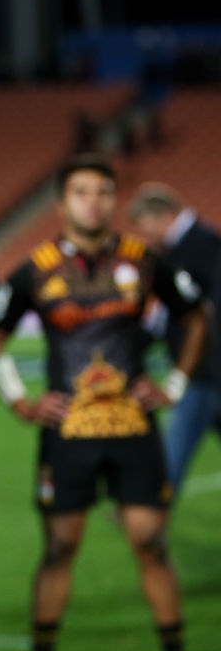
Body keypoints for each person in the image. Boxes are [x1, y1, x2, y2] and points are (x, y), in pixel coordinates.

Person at [0, 154, 206, 651]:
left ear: (114, 201)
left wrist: (173, 382)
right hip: (68, 434)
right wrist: (20, 400)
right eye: (82, 192)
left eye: (104, 192)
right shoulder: (35, 269)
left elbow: (196, 318)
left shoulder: (142, 260)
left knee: (152, 543)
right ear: (62, 204)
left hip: (133, 428)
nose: (94, 202)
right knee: (60, 548)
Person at [129, 181, 221, 491]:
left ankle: (151, 510)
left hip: (203, 370)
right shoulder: (190, 246)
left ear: (162, 217)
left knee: (174, 448)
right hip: (205, 368)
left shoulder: (202, 245)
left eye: (146, 227)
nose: (146, 237)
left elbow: (204, 313)